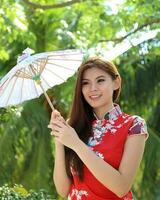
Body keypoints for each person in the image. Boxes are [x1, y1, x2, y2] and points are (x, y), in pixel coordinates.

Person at [48, 57, 148, 200]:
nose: (93, 88)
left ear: (116, 82)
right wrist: (59, 141)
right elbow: (63, 190)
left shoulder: (133, 125)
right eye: (85, 83)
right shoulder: (74, 127)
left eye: (100, 80)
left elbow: (121, 187)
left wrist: (76, 143)